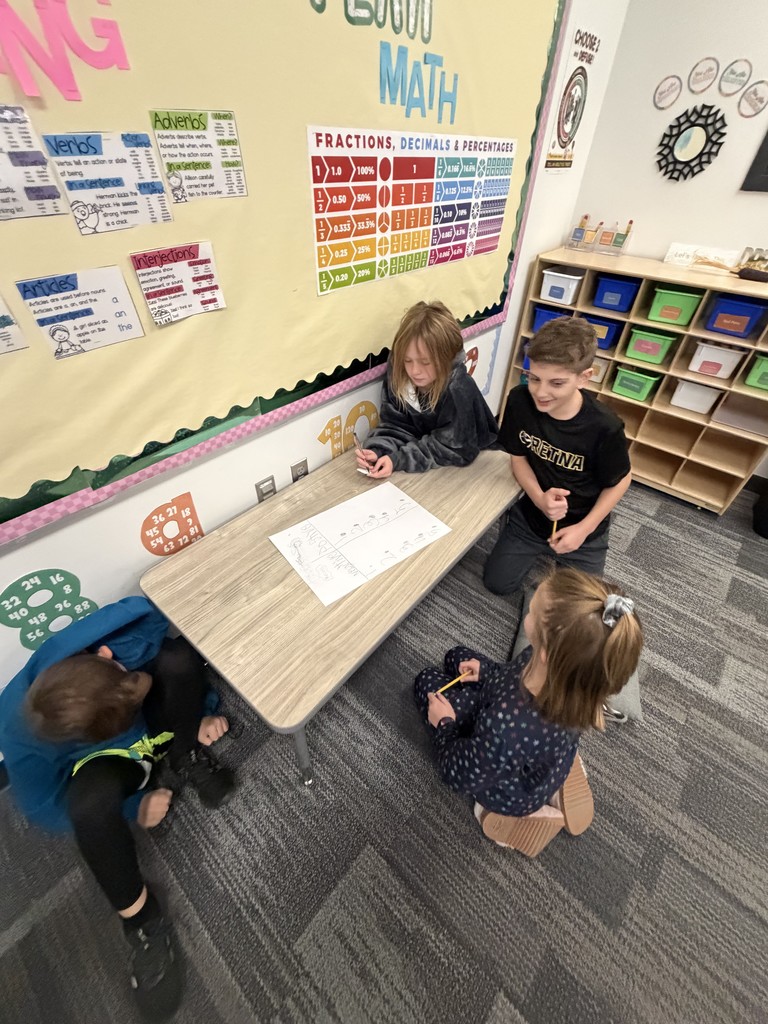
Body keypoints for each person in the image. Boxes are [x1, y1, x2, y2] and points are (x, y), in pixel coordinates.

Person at [0, 597, 237, 1022]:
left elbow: (155, 618)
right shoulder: (20, 729)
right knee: (86, 804)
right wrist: (133, 806)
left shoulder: (119, 641)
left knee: (179, 657)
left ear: (105, 657)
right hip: (110, 769)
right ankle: (143, 921)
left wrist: (197, 718)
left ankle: (184, 756)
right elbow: (45, 808)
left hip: (156, 726)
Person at [414, 568, 643, 854]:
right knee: (455, 656)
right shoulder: (573, 686)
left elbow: (457, 772)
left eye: (532, 613)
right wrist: (486, 672)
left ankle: (519, 816)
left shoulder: (504, 727)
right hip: (538, 743)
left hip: (509, 786)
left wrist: (444, 724)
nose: (527, 617)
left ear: (546, 652)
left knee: (426, 682)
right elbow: (510, 676)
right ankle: (557, 774)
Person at [483, 317, 631, 596]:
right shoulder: (519, 401)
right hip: (532, 518)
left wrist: (584, 530)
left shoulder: (605, 427)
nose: (541, 392)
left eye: (557, 383)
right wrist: (539, 498)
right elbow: (518, 457)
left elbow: (621, 480)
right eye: (534, 378)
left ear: (584, 378)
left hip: (584, 527)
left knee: (578, 604)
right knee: (496, 584)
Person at [355, 300, 498, 478]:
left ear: (446, 359)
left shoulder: (458, 387)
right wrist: (380, 450)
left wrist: (399, 459)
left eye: (425, 362)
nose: (414, 371)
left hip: (474, 468)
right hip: (425, 466)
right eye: (407, 361)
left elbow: (456, 448)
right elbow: (397, 425)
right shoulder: (399, 373)